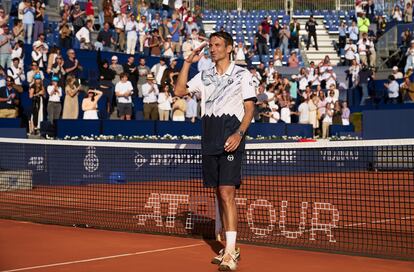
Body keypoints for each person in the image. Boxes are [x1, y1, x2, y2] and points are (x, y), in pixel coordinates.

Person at [175, 31, 256, 271]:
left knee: (226, 191)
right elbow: (179, 91)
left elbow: (249, 109)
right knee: (219, 194)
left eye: (217, 45)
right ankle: (229, 246)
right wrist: (188, 62)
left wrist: (239, 134)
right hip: (209, 138)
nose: (212, 49)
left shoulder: (243, 75)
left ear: (229, 48)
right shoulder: (204, 75)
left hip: (232, 136)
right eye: (211, 45)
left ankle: (230, 251)